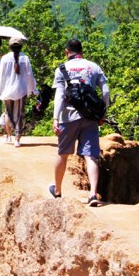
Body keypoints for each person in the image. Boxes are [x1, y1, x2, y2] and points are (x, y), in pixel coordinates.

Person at [49, 38, 110, 206]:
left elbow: (60, 95)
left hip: (68, 118)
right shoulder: (93, 66)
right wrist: (102, 113)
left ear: (67, 52)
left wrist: (56, 118)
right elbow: (105, 90)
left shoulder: (61, 69)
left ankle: (58, 191)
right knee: (91, 156)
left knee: (63, 153)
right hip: (90, 117)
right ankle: (92, 194)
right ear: (82, 52)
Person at [0, 36, 37, 147]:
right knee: (20, 113)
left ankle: (8, 136)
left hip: (7, 90)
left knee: (8, 112)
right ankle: (17, 138)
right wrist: (33, 89)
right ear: (21, 46)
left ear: (10, 46)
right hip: (21, 90)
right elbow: (29, 75)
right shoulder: (25, 58)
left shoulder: (5, 58)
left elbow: (1, 76)